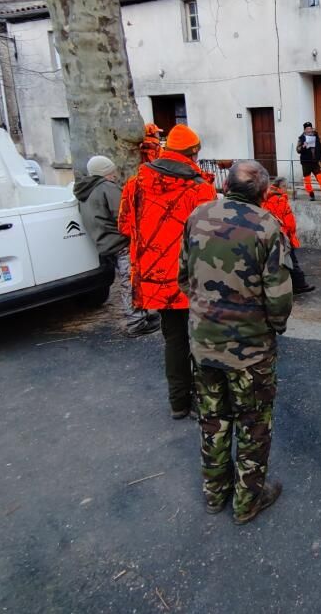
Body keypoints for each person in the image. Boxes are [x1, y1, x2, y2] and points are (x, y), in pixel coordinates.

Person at [179, 161, 293, 524]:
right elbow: (278, 295)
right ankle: (247, 502)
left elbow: (183, 276)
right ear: (263, 192)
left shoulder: (197, 215)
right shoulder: (266, 225)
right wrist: (274, 326)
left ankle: (215, 494)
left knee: (212, 420)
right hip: (250, 351)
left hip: (203, 343)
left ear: (226, 185)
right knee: (253, 423)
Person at [119, 125, 216, 420]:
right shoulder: (200, 188)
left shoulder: (135, 184)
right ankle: (202, 401)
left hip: (155, 276)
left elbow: (124, 226)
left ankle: (178, 403)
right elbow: (210, 236)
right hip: (193, 276)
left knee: (174, 339)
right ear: (194, 153)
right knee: (200, 339)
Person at [74, 155, 160, 337]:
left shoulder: (84, 192)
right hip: (121, 242)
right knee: (130, 282)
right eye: (112, 172)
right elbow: (125, 214)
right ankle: (136, 323)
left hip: (105, 244)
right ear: (105, 173)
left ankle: (141, 315)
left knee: (130, 280)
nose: (114, 176)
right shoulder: (106, 188)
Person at [263, 177, 315, 295]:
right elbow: (283, 220)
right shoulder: (279, 199)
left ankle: (291, 284)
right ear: (280, 187)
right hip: (284, 236)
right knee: (292, 261)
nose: (287, 189)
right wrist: (288, 233)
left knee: (282, 261)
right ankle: (300, 285)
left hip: (278, 235)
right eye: (285, 187)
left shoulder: (269, 199)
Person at [297, 121, 321, 201]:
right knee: (307, 180)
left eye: (310, 128)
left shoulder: (316, 136)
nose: (309, 130)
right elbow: (298, 150)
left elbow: (320, 147)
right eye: (307, 129)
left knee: (320, 178)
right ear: (305, 130)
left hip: (315, 161)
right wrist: (303, 146)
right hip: (306, 162)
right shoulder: (301, 138)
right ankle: (311, 194)